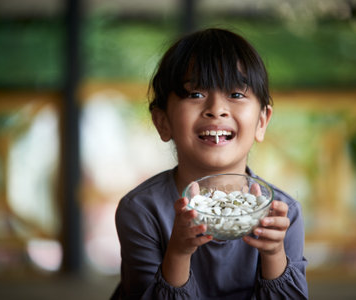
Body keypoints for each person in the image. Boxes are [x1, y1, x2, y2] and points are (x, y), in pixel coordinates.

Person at [111, 28, 308, 299]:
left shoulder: (281, 216)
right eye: (195, 94)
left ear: (261, 121)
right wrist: (178, 252)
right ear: (163, 122)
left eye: (236, 94)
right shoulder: (142, 211)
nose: (216, 108)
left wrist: (274, 253)